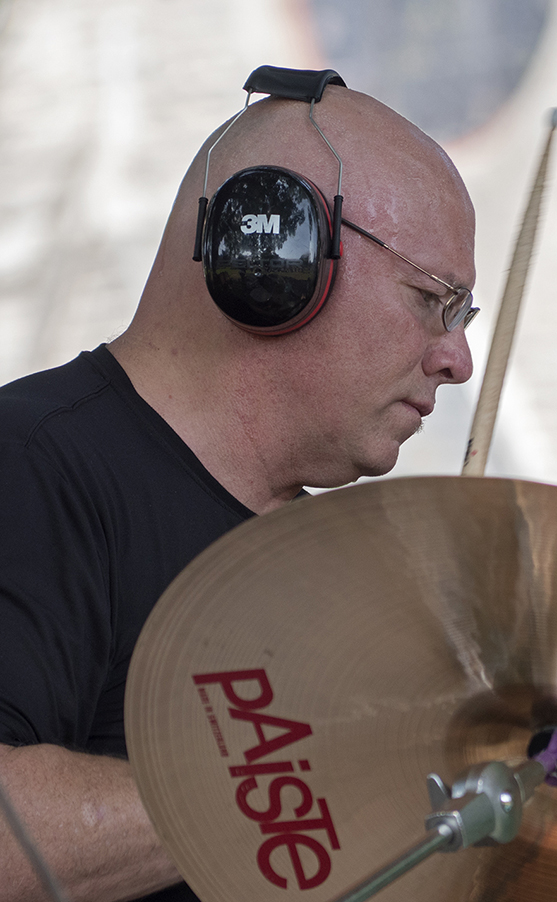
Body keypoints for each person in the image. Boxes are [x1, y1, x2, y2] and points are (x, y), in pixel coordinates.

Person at [0, 69, 476, 902]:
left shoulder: (342, 570)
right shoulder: (32, 465)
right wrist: (304, 778)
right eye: (432, 300)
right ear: (276, 256)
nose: (457, 358)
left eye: (463, 316)